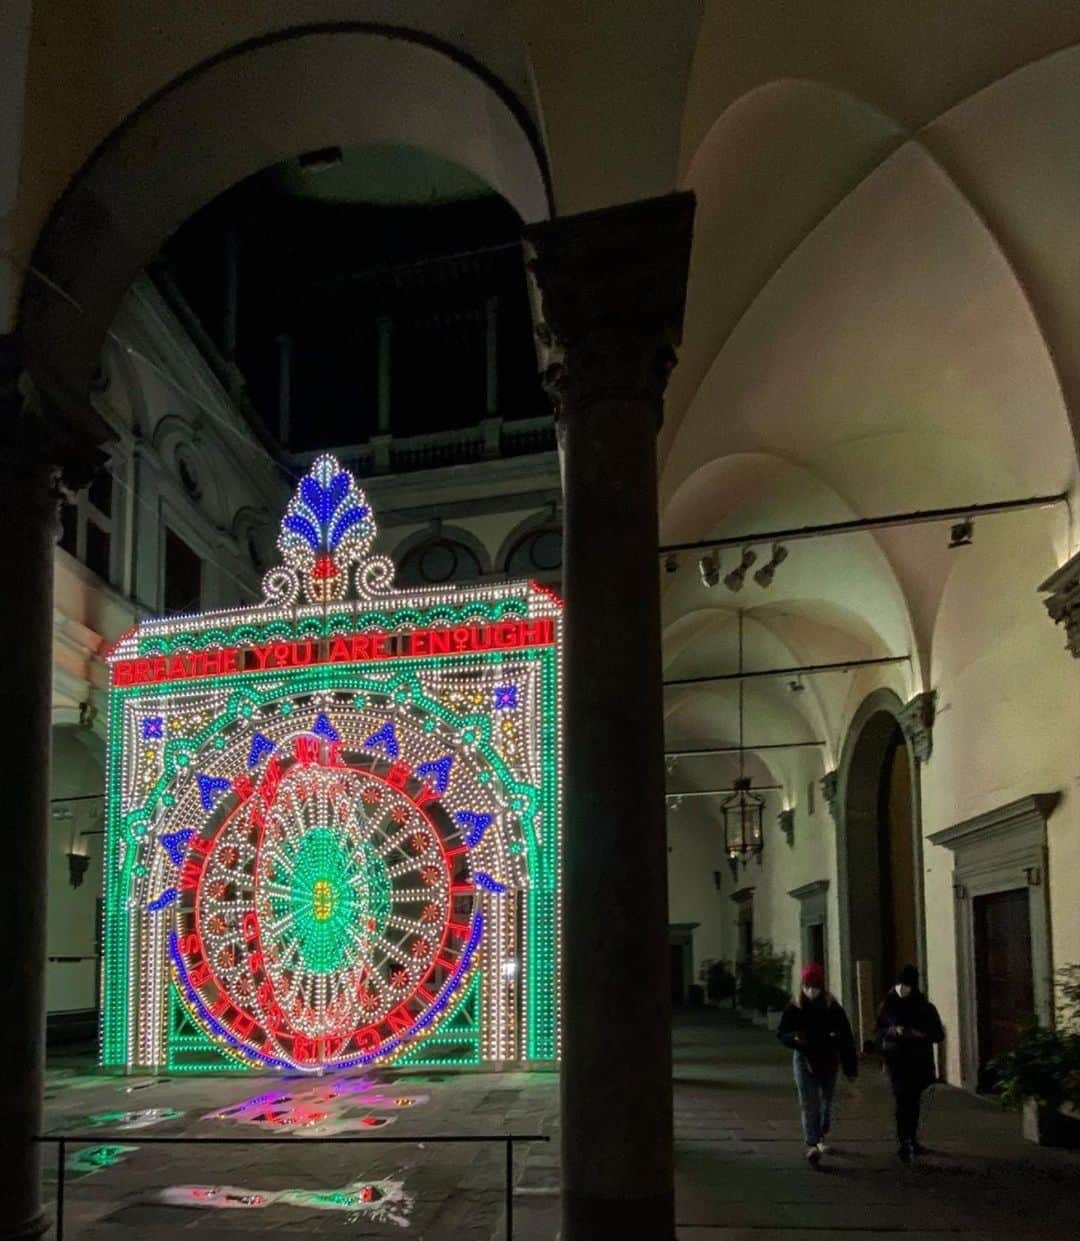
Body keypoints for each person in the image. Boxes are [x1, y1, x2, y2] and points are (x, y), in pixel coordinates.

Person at [777, 962, 858, 1167]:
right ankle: (812, 1144)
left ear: (822, 986)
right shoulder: (795, 1007)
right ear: (802, 986)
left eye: (814, 986)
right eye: (807, 985)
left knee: (825, 1102)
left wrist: (850, 1070)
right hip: (804, 1059)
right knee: (808, 1101)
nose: (810, 990)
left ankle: (821, 1135)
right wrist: (794, 1040)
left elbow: (846, 1039)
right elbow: (781, 1033)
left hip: (828, 1060)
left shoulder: (833, 1008)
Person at [876, 963, 945, 1163]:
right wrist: (893, 1031)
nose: (902, 988)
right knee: (902, 1100)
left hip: (917, 1061)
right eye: (900, 983)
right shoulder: (888, 1005)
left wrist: (919, 1034)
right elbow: (879, 1030)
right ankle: (904, 1141)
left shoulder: (924, 1007)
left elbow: (937, 1034)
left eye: (906, 984)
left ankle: (910, 1139)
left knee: (912, 1102)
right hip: (897, 1060)